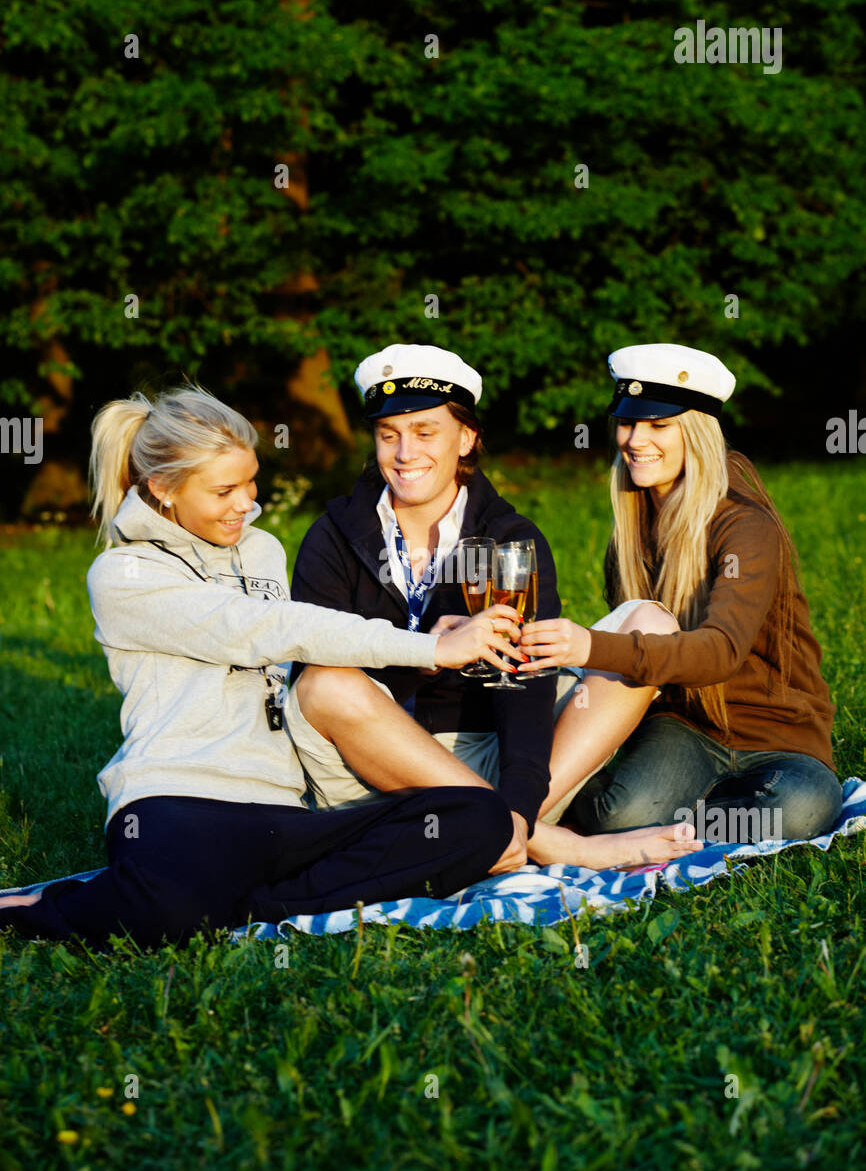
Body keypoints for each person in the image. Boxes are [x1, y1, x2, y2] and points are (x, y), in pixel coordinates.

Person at [0, 385, 530, 948]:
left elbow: (312, 651)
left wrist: (425, 642)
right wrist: (426, 648)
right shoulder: (123, 575)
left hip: (283, 811)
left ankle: (248, 905)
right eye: (224, 490)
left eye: (250, 482)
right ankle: (52, 908)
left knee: (479, 818)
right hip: (178, 801)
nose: (245, 503)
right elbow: (267, 629)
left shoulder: (261, 551)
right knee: (167, 913)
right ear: (163, 488)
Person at [286, 343, 695, 871]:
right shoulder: (333, 535)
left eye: (425, 432)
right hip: (367, 763)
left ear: (467, 438)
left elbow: (524, 683)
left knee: (651, 624)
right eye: (389, 435)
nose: (405, 453)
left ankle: (505, 831)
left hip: (491, 757)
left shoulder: (510, 540)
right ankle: (553, 844)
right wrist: (430, 652)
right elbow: (313, 662)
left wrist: (521, 803)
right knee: (325, 682)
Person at [520, 343, 842, 858]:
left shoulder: (745, 526)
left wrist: (588, 645)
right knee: (615, 817)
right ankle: (657, 819)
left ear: (695, 432)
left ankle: (681, 822)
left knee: (799, 807)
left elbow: (719, 652)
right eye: (626, 423)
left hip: (777, 734)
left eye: (658, 426)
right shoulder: (632, 527)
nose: (634, 439)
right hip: (684, 727)